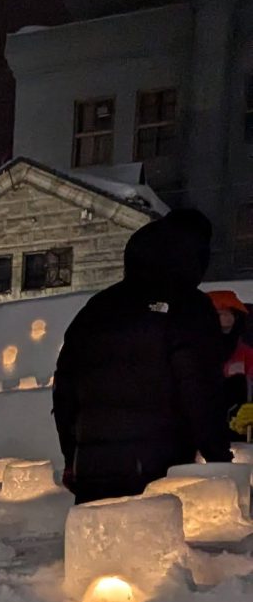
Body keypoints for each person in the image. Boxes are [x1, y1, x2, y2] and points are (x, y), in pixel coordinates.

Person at [52, 206, 231, 503]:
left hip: (93, 472)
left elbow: (64, 393)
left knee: (100, 534)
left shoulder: (96, 308)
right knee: (155, 533)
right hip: (162, 472)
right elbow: (200, 388)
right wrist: (219, 459)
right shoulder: (190, 307)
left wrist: (73, 458)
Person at [209, 288, 253, 439]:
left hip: (239, 431)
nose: (226, 317)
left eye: (230, 313)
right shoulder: (191, 354)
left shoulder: (246, 354)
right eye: (219, 313)